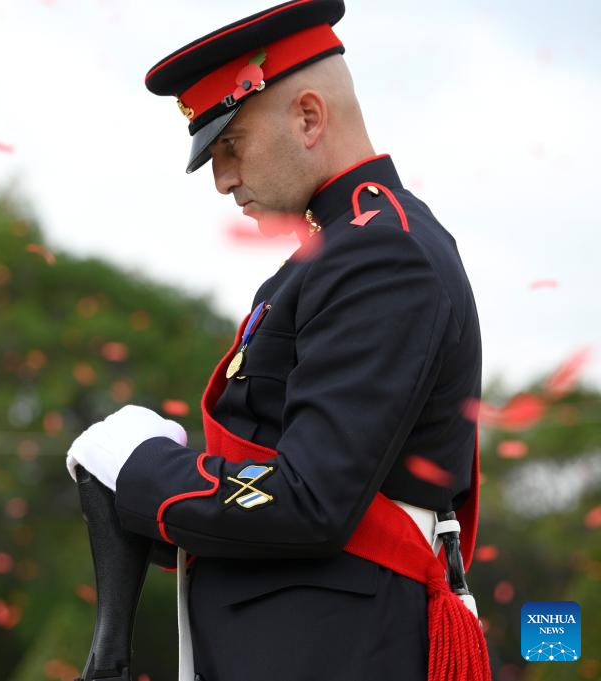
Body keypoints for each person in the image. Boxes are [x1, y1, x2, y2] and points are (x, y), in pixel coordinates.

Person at [66, 1, 493, 680]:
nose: (222, 180)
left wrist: (141, 467)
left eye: (230, 146)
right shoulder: (336, 254)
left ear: (308, 117)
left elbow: (308, 502)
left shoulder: (382, 254)